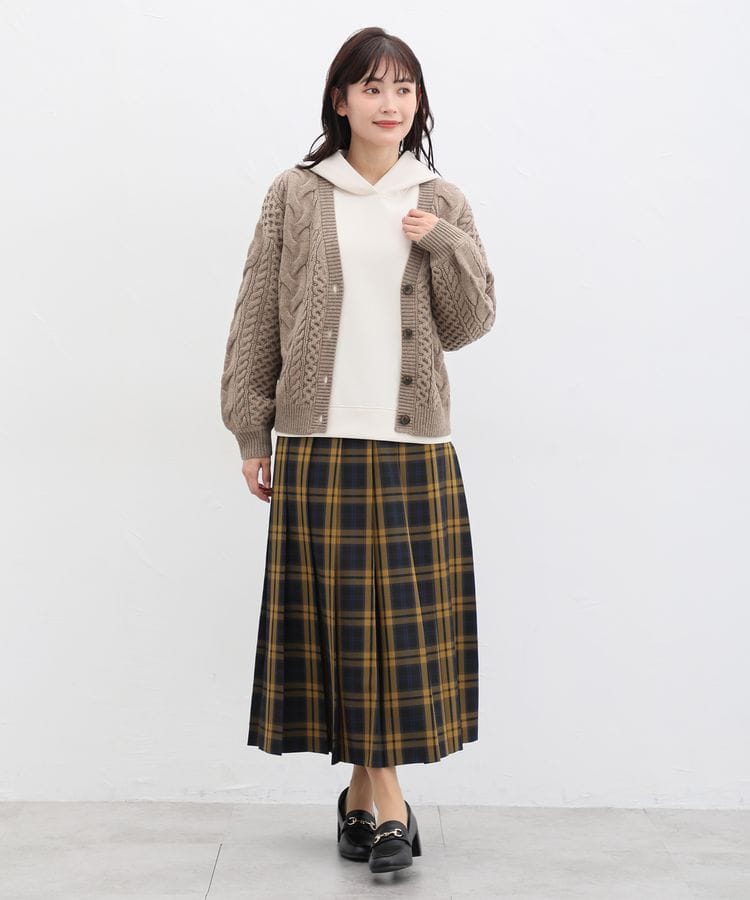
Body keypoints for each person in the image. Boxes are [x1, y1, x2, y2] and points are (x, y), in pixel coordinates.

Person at [219, 26, 496, 874]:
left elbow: (470, 323)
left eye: (403, 89)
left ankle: (367, 802)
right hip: (319, 440)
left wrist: (442, 241)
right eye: (372, 87)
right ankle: (389, 810)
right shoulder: (297, 193)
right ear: (340, 100)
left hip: (414, 446)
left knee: (398, 639)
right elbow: (257, 312)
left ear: (418, 102)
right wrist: (250, 428)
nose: (389, 103)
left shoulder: (439, 199)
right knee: (345, 631)